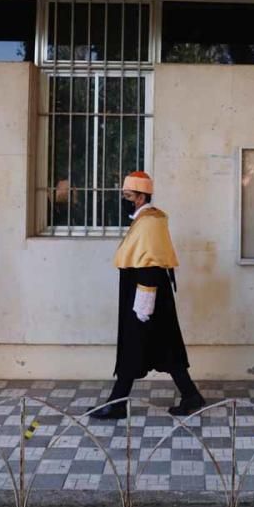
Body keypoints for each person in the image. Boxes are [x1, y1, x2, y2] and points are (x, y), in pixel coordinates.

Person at [92, 171, 206, 420]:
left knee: (136, 345)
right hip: (146, 292)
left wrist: (144, 302)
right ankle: (190, 394)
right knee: (165, 346)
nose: (124, 200)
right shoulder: (144, 219)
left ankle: (118, 402)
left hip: (146, 294)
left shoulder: (150, 221)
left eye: (128, 195)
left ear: (141, 196)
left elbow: (151, 263)